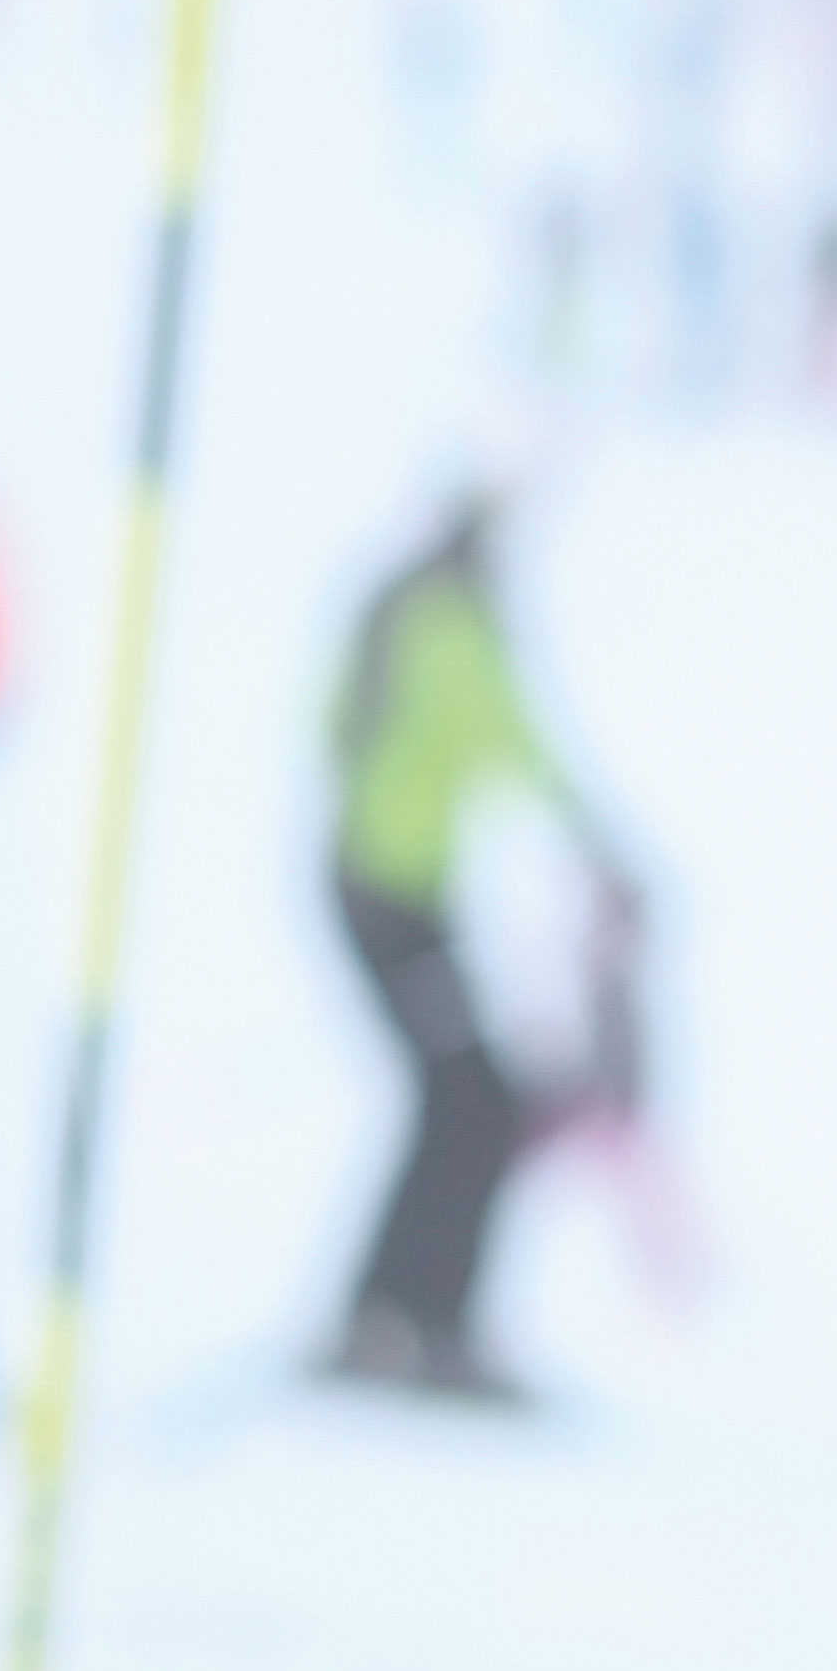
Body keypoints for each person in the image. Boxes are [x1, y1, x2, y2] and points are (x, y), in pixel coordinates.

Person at [318, 481, 641, 1403]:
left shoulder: (397, 599)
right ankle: (418, 1328)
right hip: (392, 893)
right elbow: (514, 742)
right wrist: (604, 845)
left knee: (459, 1101)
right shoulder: (451, 624)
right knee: (472, 1103)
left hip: (383, 883)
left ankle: (394, 1318)